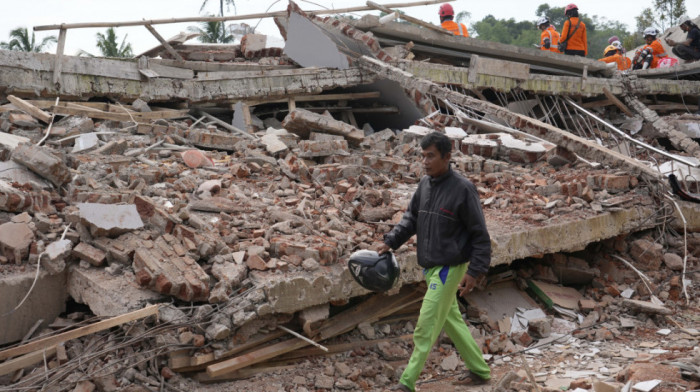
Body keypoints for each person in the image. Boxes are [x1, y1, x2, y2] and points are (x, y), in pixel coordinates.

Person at [378, 132, 491, 392]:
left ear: (447, 157)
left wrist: (474, 272)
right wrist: (391, 242)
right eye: (423, 156)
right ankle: (480, 370)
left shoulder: (463, 190)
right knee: (451, 320)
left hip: (449, 268)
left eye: (431, 156)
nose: (425, 162)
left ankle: (407, 383)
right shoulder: (425, 186)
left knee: (426, 325)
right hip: (429, 268)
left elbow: (480, 237)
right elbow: (410, 219)